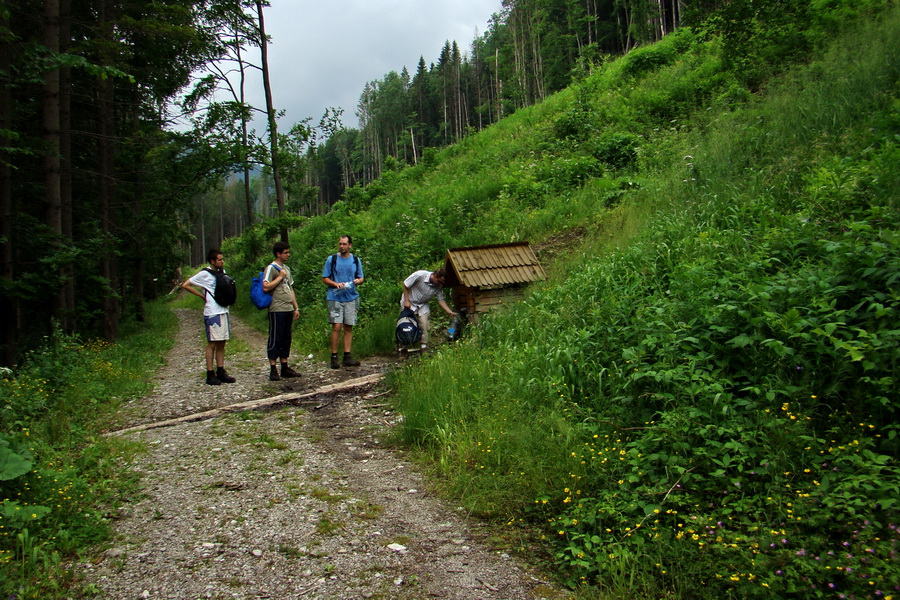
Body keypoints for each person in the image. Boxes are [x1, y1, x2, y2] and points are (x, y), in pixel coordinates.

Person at [181, 248, 236, 386]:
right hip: (212, 312)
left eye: (222, 259)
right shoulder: (204, 274)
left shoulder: (221, 272)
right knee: (212, 343)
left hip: (223, 310)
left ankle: (221, 371)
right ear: (212, 261)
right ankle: (210, 373)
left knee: (222, 342)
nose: (222, 261)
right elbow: (186, 285)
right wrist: (201, 296)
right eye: (219, 259)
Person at [321, 235, 364, 369]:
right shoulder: (332, 259)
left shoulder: (356, 260)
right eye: (340, 244)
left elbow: (361, 277)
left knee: (348, 326)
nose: (342, 246)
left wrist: (358, 281)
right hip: (335, 297)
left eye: (344, 244)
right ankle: (334, 356)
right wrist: (335, 284)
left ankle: (347, 356)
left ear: (350, 245)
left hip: (351, 297)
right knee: (337, 326)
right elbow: (324, 278)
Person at [263, 241, 301, 381]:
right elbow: (266, 287)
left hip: (287, 308)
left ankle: (285, 366)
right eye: (285, 252)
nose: (288, 255)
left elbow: (290, 289)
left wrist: (295, 307)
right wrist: (279, 276)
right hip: (276, 308)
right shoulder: (271, 268)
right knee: (275, 336)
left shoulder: (287, 269)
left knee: (286, 337)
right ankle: (273, 368)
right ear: (278, 253)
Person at [400, 268, 457, 352]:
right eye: (440, 281)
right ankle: (404, 347)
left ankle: (423, 347)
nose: (441, 284)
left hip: (423, 305)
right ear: (434, 276)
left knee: (424, 324)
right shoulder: (420, 275)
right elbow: (405, 284)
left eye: (442, 282)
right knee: (407, 325)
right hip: (410, 301)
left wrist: (449, 311)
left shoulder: (438, 286)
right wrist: (406, 301)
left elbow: (440, 300)